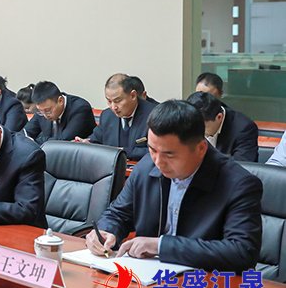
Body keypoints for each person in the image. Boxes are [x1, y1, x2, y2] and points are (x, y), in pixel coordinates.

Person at [87, 100, 262, 272]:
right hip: (147, 276)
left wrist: (161, 246)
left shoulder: (238, 184)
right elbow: (118, 213)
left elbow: (242, 252)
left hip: (205, 282)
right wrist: (106, 231)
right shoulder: (147, 166)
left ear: (201, 149)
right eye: (152, 150)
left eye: (169, 155)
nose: (158, 162)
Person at [77, 74, 156, 160]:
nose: (113, 107)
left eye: (117, 101)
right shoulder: (107, 116)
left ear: (133, 95)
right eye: (109, 101)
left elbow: (157, 151)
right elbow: (96, 140)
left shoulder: (154, 115)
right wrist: (87, 143)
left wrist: (123, 151)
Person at [186, 91, 258, 162]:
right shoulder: (189, 123)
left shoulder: (244, 128)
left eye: (202, 126)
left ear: (219, 117)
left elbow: (241, 164)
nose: (197, 131)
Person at [24, 81, 95, 144]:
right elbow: (25, 133)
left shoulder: (80, 109)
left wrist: (37, 140)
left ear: (60, 101)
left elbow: (62, 142)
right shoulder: (42, 110)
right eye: (40, 111)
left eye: (48, 111)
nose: (45, 115)